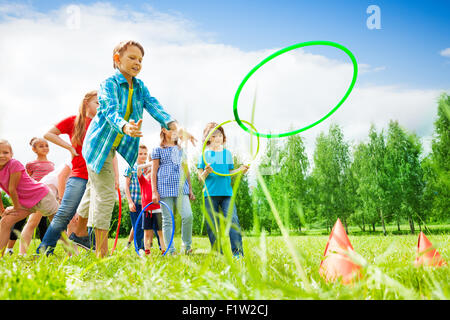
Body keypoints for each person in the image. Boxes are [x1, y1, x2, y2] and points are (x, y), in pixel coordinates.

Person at [81, 40, 195, 258]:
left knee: (93, 194)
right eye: (132, 58)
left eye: (141, 59)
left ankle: (77, 232)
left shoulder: (140, 87)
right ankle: (101, 254)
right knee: (104, 196)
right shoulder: (108, 84)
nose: (137, 63)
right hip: (98, 148)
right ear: (117, 59)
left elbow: (154, 106)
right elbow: (109, 110)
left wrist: (177, 128)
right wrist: (125, 126)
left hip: (113, 148)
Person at [36, 90, 98, 255]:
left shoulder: (100, 124)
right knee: (64, 214)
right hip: (78, 176)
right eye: (97, 103)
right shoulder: (74, 121)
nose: (100, 106)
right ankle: (44, 250)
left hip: (97, 177)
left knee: (94, 215)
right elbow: (48, 134)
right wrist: (69, 147)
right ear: (86, 103)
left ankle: (90, 246)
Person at [0, 140, 59, 257]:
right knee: (5, 222)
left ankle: (73, 253)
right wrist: (2, 211)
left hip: (42, 195)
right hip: (25, 202)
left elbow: (12, 188)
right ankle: (1, 256)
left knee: (57, 225)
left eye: (5, 152)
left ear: (11, 154)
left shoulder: (14, 164)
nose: (1, 155)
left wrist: (15, 208)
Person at [197, 122, 247, 258]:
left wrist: (241, 170)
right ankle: (217, 253)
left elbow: (230, 172)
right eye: (214, 135)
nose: (218, 138)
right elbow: (200, 178)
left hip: (226, 194)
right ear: (208, 138)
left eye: (220, 135)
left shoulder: (227, 154)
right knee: (212, 226)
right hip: (210, 194)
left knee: (233, 221)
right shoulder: (204, 155)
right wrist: (206, 172)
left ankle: (238, 254)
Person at [151, 127, 195, 255]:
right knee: (167, 219)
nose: (175, 132)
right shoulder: (157, 150)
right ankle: (170, 250)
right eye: (172, 130)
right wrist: (154, 191)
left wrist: (190, 189)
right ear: (164, 130)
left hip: (181, 187)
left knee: (188, 215)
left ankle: (186, 246)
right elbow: (154, 172)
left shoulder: (180, 149)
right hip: (164, 187)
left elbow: (186, 169)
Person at [16, 137, 56, 255]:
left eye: (46, 145)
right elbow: (26, 180)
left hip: (50, 197)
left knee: (56, 225)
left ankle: (54, 252)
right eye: (41, 146)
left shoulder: (52, 164)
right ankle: (22, 253)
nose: (45, 148)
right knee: (32, 223)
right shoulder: (31, 164)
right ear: (34, 149)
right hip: (37, 196)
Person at [137, 155, 164, 255]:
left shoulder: (158, 178)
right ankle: (147, 250)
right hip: (147, 210)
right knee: (147, 232)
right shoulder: (143, 179)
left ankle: (164, 250)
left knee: (160, 231)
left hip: (157, 209)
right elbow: (138, 169)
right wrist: (148, 165)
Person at [124, 144, 147, 251]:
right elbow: (126, 186)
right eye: (140, 154)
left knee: (143, 225)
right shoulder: (131, 167)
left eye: (145, 154)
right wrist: (129, 202)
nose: (143, 156)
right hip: (134, 202)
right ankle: (140, 248)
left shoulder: (147, 168)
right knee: (137, 226)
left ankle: (142, 245)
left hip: (145, 202)